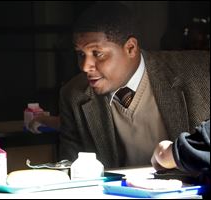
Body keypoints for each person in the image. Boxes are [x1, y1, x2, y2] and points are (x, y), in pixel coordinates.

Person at [58, 2, 210, 169]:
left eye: (97, 54)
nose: (85, 66)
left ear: (130, 48)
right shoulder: (74, 95)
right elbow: (69, 169)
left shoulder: (200, 72)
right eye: (81, 54)